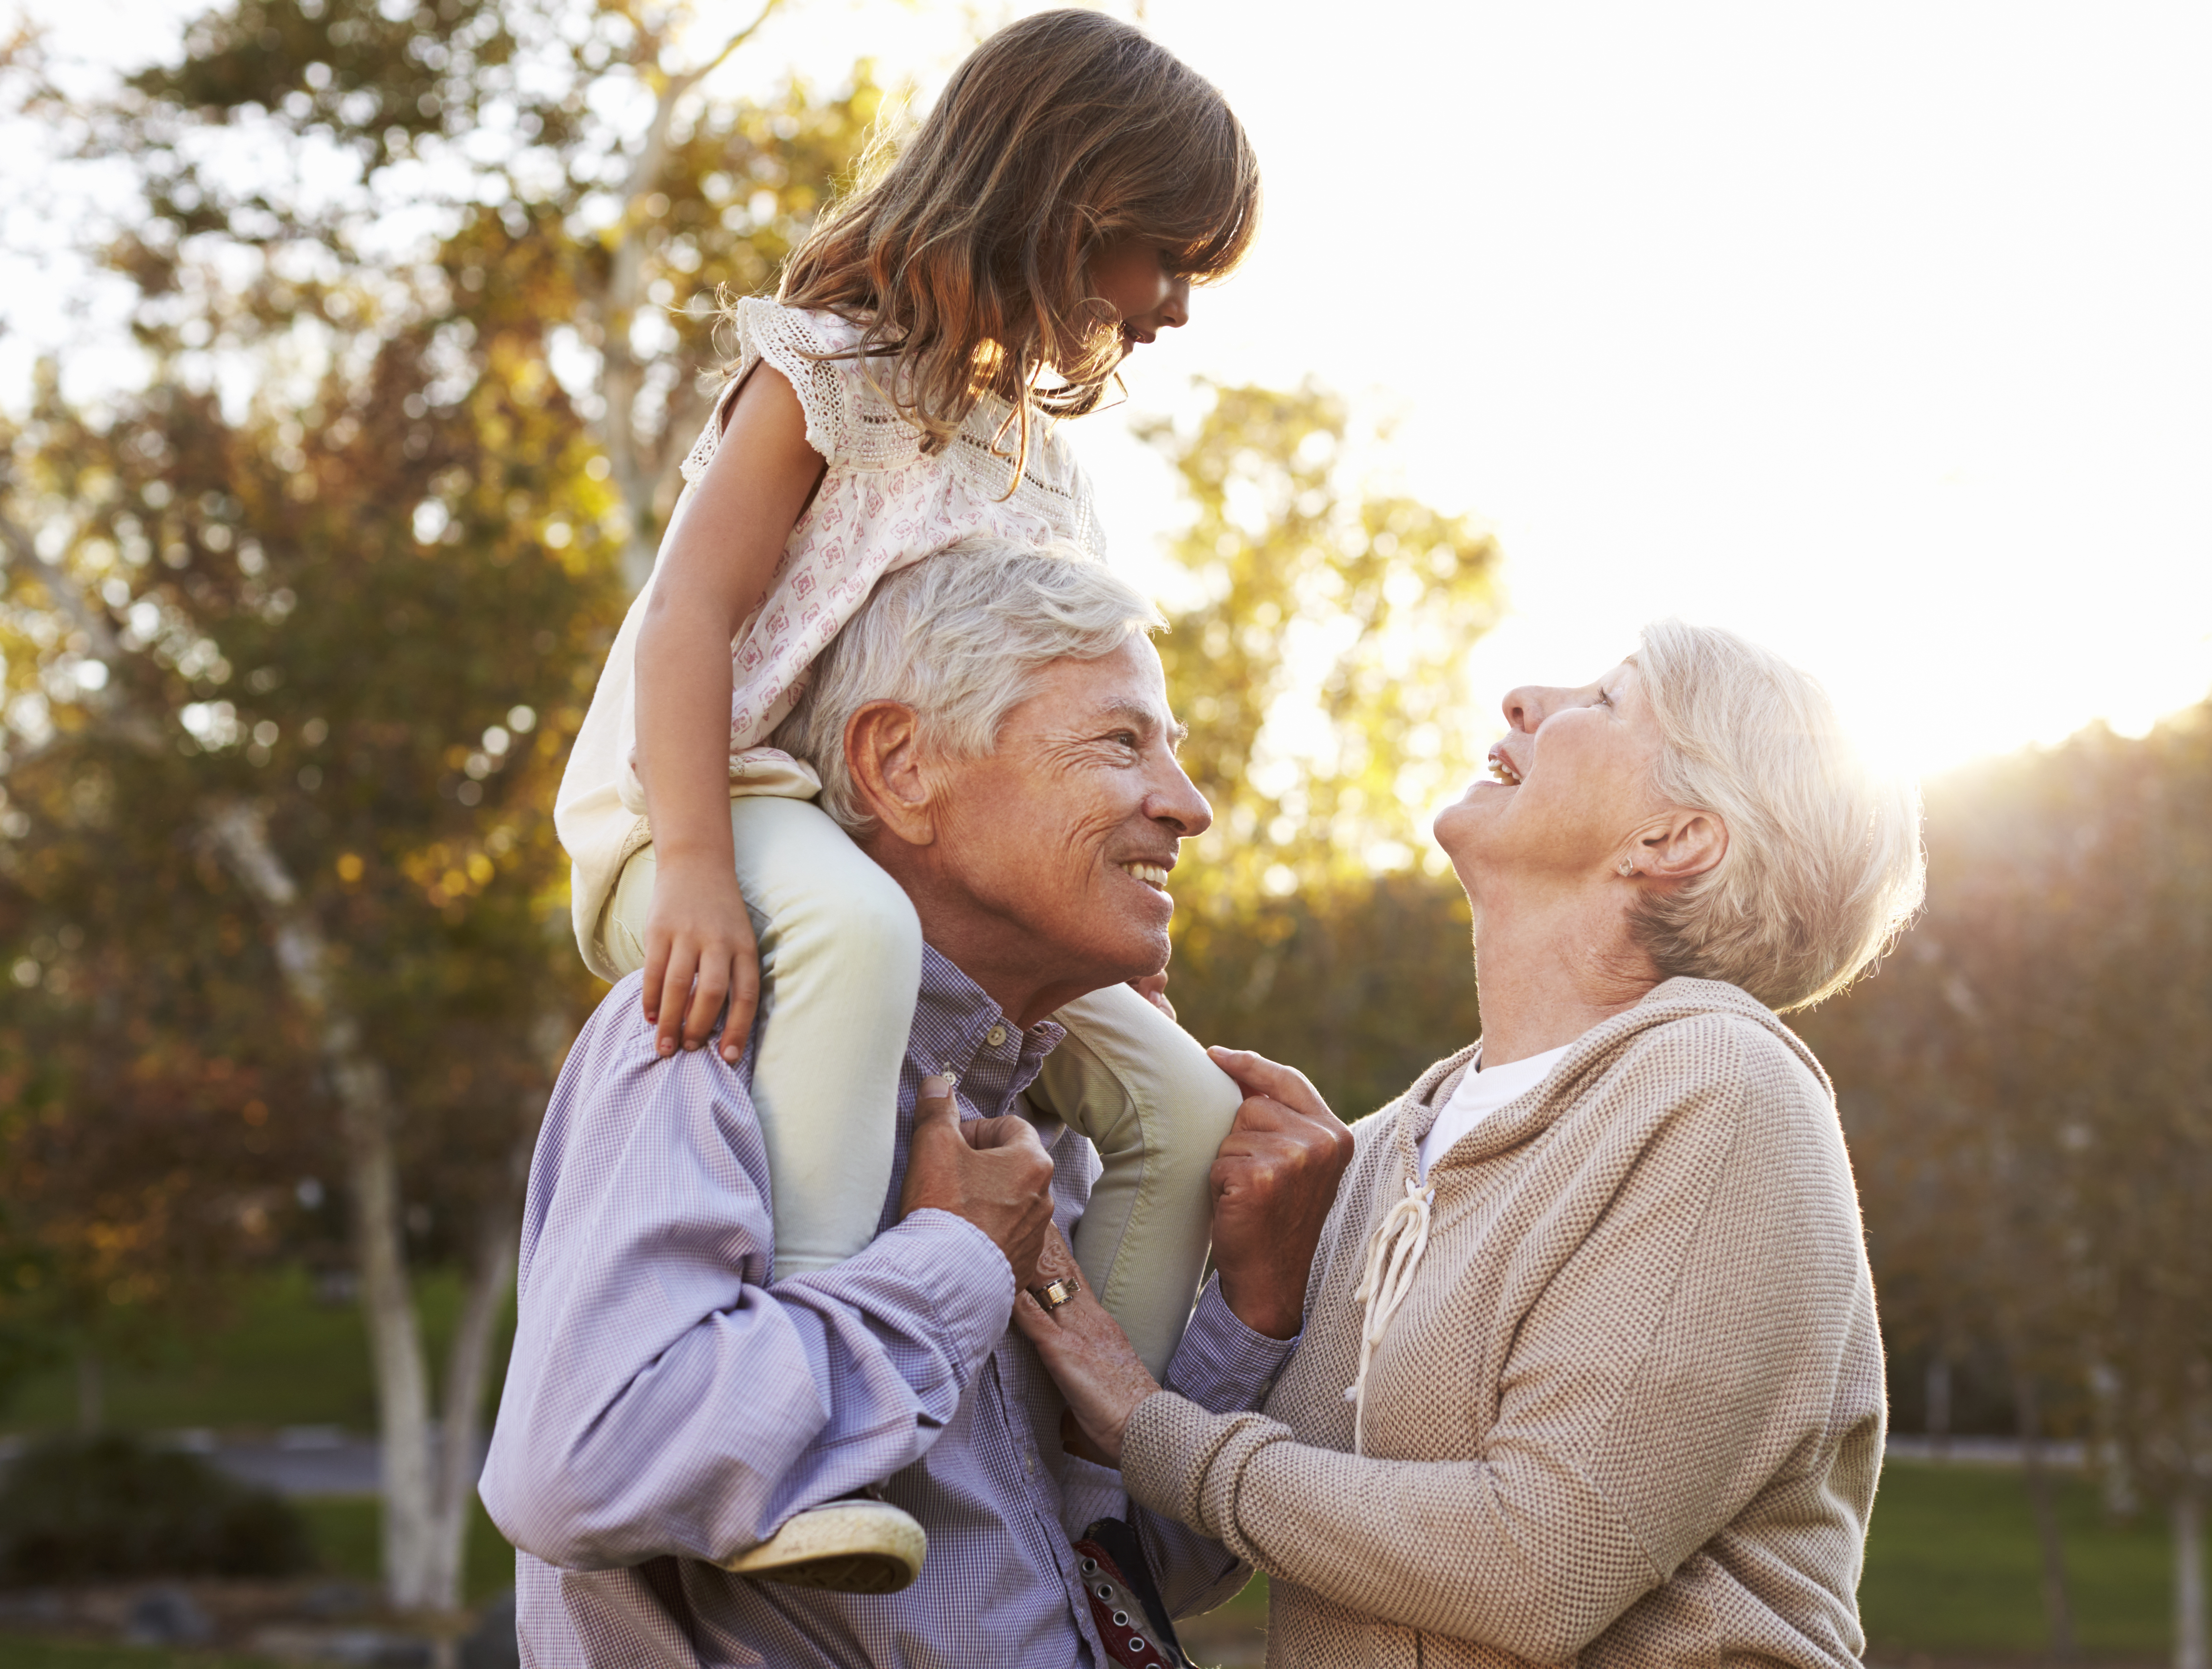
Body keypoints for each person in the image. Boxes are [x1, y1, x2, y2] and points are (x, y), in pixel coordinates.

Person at [549, 10, 1260, 1578]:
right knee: (860, 940)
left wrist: (1107, 922)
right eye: (1169, 257)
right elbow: (685, 620)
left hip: (865, 819)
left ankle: (1087, 1473)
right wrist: (687, 861)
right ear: (1073, 203)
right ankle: (809, 1432)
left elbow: (1036, 703)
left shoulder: (1036, 456)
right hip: (712, 788)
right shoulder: (823, 374)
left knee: (1178, 1099)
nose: (1179, 310)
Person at [483, 543, 1355, 1666]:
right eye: (1121, 741)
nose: (1188, 807)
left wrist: (1259, 1300)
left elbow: (1128, 1565)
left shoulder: (1051, 1132)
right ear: (900, 763)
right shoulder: (703, 1042)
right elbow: (583, 1472)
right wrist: (951, 1261)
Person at [1016, 620, 1929, 1668]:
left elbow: (1539, 1566)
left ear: (1673, 840)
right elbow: (1174, 1551)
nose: (1523, 698)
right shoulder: (1379, 1153)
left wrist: (1141, 1417)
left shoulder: (1724, 1094)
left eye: (1607, 698)